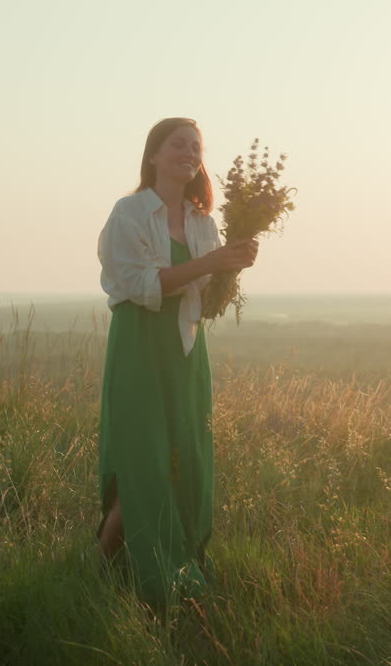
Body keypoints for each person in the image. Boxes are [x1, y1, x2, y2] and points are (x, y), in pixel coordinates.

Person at [95, 117, 258, 607]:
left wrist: (236, 262)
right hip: (141, 346)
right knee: (141, 459)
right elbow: (142, 286)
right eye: (178, 144)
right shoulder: (128, 213)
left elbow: (203, 301)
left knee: (183, 459)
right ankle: (102, 570)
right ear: (153, 155)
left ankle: (178, 563)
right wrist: (211, 264)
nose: (189, 152)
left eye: (196, 147)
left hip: (187, 349)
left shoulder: (202, 221)